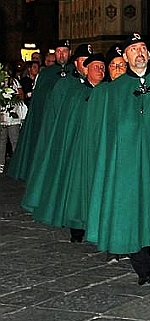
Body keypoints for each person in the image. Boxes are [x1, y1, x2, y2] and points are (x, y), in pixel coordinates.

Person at [85, 33, 150, 285]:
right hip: (129, 165)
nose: (139, 52)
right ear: (125, 56)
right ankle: (143, 269)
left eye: (143, 48)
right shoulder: (115, 90)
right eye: (134, 49)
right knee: (133, 211)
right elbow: (109, 132)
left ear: (149, 55)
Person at [21, 50, 105, 243]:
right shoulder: (74, 91)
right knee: (76, 188)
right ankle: (76, 226)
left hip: (98, 150)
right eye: (93, 67)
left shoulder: (106, 91)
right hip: (77, 150)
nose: (98, 71)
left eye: (101, 67)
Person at [7, 39, 73, 182]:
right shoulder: (46, 74)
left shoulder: (75, 71)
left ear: (70, 53)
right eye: (58, 52)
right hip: (49, 121)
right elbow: (40, 99)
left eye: (65, 51)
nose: (61, 55)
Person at [0, 63, 26, 173]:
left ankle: (16, 165)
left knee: (14, 140)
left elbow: (21, 95)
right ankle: (1, 163)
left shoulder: (15, 82)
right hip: (2, 115)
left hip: (13, 115)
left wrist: (13, 97)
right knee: (2, 141)